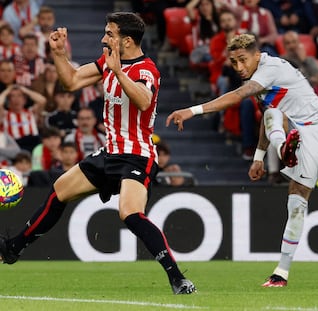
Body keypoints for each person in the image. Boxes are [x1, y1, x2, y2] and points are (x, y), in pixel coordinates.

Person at [0, 12, 196, 295]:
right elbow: (72, 81)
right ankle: (14, 248)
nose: (103, 38)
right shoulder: (107, 61)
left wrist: (117, 72)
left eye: (109, 34)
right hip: (110, 152)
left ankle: (178, 278)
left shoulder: (146, 69)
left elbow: (143, 101)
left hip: (137, 154)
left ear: (126, 41)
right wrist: (58, 54)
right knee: (60, 191)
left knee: (129, 213)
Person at [166, 33, 318, 287]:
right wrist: (258, 157)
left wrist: (192, 110)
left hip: (316, 132)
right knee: (273, 113)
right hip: (289, 131)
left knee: (298, 202)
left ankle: (282, 152)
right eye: (234, 62)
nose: (239, 67)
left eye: (243, 60)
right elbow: (267, 118)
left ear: (257, 55)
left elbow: (236, 96)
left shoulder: (271, 68)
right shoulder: (258, 76)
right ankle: (281, 274)